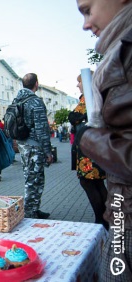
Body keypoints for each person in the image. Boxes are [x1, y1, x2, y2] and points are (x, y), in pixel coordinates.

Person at [75, 1, 132, 280]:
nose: (85, 24)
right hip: (122, 208)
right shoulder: (119, 49)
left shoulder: (125, 52)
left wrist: (87, 137)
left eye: (87, 9)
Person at [69, 73, 108, 230]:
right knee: (97, 183)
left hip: (89, 149)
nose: (78, 86)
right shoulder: (99, 96)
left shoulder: (89, 98)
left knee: (88, 182)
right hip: (96, 146)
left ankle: (101, 221)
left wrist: (73, 116)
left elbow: (74, 116)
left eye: (79, 82)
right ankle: (105, 219)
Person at [15, 73, 53, 219]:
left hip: (24, 146)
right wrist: (48, 152)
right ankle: (30, 213)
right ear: (36, 84)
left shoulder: (18, 99)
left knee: (30, 178)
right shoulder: (35, 102)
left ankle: (34, 208)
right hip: (34, 147)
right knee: (35, 180)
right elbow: (42, 129)